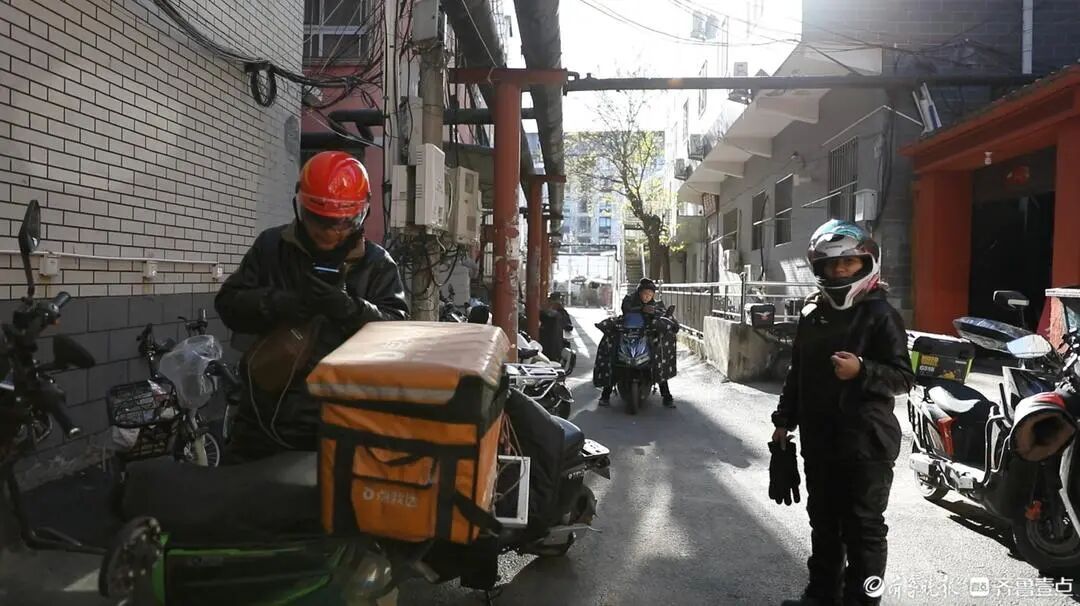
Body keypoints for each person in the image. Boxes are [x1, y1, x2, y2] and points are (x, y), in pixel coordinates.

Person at [216, 151, 409, 462]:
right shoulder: (271, 247)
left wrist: (349, 309)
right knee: (243, 488)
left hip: (343, 423)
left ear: (362, 214)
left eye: (343, 223)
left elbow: (398, 335)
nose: (330, 232)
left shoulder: (377, 265)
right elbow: (228, 304)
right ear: (301, 207)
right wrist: (279, 303)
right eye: (319, 220)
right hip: (262, 419)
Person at [771, 220, 914, 606]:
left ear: (866, 262)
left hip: (866, 443)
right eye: (831, 264)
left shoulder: (881, 314)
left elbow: (904, 377)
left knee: (864, 530)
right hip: (819, 439)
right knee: (823, 523)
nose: (839, 271)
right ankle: (821, 595)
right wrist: (783, 421)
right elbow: (797, 372)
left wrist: (862, 370)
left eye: (848, 262)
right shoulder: (812, 313)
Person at [597, 278, 676, 408]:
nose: (647, 296)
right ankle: (605, 395)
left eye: (650, 294)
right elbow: (626, 309)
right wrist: (642, 309)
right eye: (645, 293)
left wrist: (666, 320)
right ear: (639, 292)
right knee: (612, 355)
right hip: (626, 334)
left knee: (658, 358)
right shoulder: (629, 300)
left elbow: (664, 316)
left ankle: (667, 396)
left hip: (647, 337)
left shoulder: (656, 305)